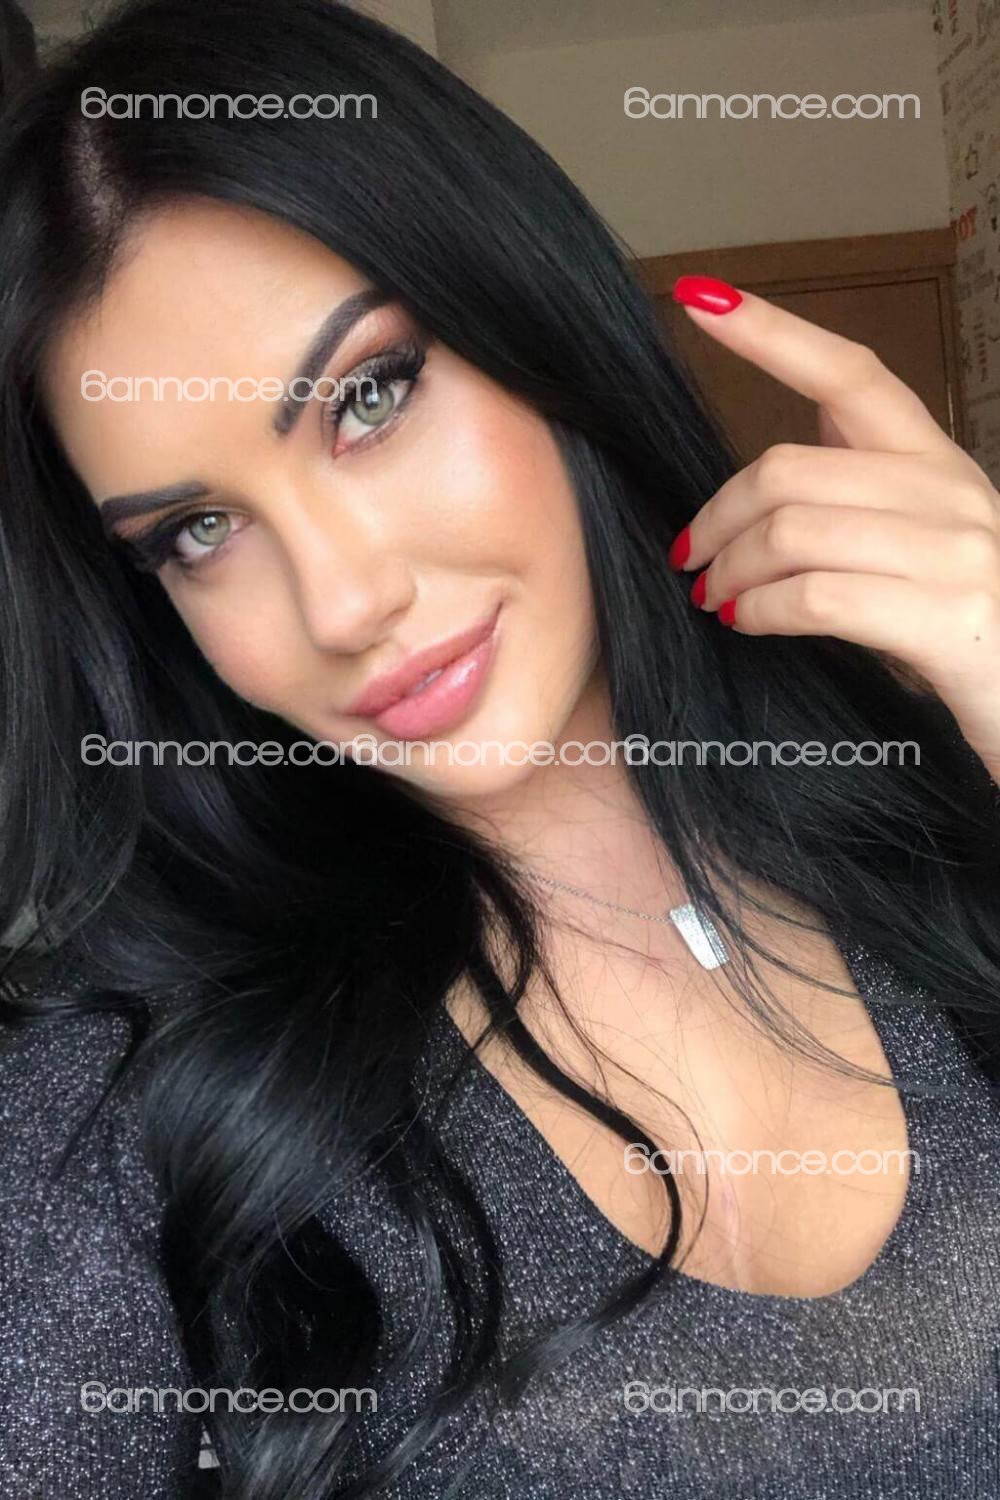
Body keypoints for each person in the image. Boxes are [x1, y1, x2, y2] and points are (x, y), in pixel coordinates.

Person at [2, 1, 1000, 1495]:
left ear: (536, 322)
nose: (344, 602)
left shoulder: (934, 813)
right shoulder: (116, 1129)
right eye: (198, 530)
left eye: (369, 398)